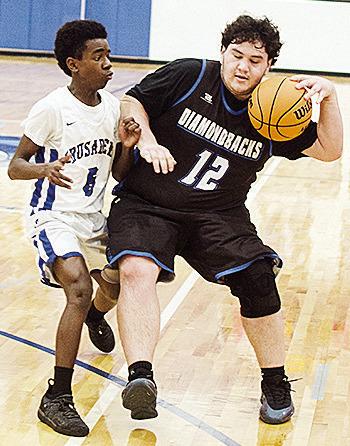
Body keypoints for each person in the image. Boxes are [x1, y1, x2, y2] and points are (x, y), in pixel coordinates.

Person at [104, 14, 343, 424]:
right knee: (136, 269)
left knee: (258, 278)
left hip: (218, 213)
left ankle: (274, 380)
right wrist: (147, 139)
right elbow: (132, 101)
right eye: (236, 55)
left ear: (268, 66)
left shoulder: (274, 105)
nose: (243, 67)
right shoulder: (192, 75)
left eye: (255, 59)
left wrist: (330, 98)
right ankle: (141, 378)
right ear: (223, 53)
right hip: (148, 201)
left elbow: (329, 149)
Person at [7, 20, 140, 437]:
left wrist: (129, 149)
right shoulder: (51, 109)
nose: (108, 64)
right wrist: (42, 168)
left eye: (108, 54)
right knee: (79, 289)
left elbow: (118, 174)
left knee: (116, 284)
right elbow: (14, 167)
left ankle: (95, 316)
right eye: (98, 56)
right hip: (52, 217)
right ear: (73, 64)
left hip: (92, 218)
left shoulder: (112, 108)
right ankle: (57, 397)